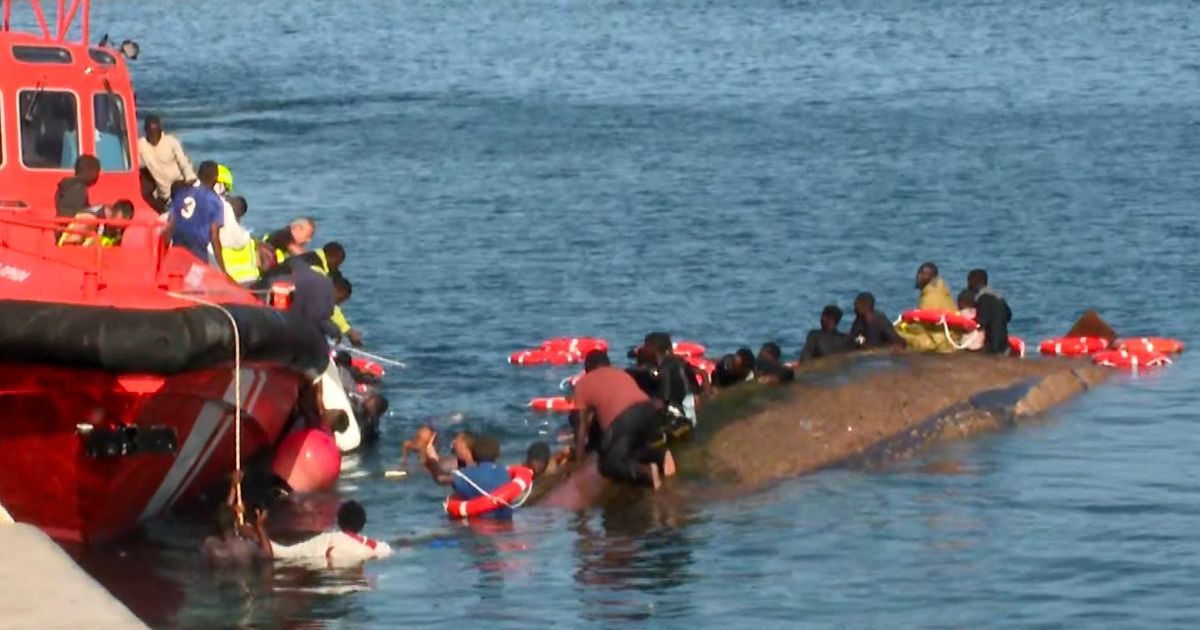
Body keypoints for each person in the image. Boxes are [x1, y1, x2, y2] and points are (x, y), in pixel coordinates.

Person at [572, 350, 673, 489]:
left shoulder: (583, 384)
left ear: (587, 368)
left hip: (625, 418)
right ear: (608, 364)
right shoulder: (620, 373)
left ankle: (644, 472)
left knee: (607, 465)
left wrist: (579, 461)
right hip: (648, 411)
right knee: (632, 450)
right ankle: (660, 457)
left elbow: (580, 424)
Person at [268, 500, 392, 563]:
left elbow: (281, 553)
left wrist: (258, 529)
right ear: (363, 524)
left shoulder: (327, 540)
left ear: (339, 520)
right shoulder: (376, 547)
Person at [167, 161, 228, 275]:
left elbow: (170, 224)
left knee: (179, 281)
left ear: (198, 175)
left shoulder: (183, 193)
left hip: (177, 248)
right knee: (195, 285)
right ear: (215, 177)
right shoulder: (215, 201)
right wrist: (223, 270)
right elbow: (214, 236)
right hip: (197, 251)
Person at [201, 472, 271, 567]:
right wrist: (260, 526)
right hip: (244, 581)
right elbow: (268, 556)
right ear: (235, 525)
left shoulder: (209, 546)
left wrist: (233, 487)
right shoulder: (247, 547)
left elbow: (224, 515)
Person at [438, 435, 515, 520]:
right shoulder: (504, 472)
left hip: (478, 527)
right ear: (498, 454)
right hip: (506, 527)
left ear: (472, 453)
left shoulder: (466, 474)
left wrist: (428, 459)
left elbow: (440, 478)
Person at [895, 262, 959, 352]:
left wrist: (903, 326)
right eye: (919, 273)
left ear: (932, 277)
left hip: (938, 343)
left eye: (922, 274)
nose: (918, 276)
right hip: (952, 338)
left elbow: (923, 327)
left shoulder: (929, 298)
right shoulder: (944, 293)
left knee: (896, 332)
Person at [643, 332, 702, 426]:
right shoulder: (679, 361)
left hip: (675, 410)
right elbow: (693, 377)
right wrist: (696, 394)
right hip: (688, 403)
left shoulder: (665, 367)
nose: (643, 349)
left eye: (645, 346)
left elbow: (666, 393)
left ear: (652, 349)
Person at [138, 115, 196, 204]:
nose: (153, 136)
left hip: (180, 187)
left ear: (161, 130)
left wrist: (190, 178)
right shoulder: (141, 145)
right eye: (150, 132)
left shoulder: (171, 142)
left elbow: (183, 162)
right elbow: (134, 162)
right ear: (145, 131)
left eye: (156, 132)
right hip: (163, 195)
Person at [966, 269, 1012, 355]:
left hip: (993, 343)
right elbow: (1009, 315)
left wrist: (972, 325)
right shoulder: (997, 296)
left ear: (974, 281)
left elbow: (981, 322)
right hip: (1004, 342)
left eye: (969, 281)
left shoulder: (982, 298)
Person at [220, 196, 260, 285]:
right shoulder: (249, 239)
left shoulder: (218, 238)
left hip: (230, 284)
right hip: (252, 281)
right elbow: (258, 263)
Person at [58, 200, 134, 247]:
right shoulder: (91, 219)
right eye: (119, 226)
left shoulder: (120, 227)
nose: (120, 230)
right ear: (112, 215)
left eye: (123, 226)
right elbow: (72, 240)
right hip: (73, 255)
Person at [55, 154, 101, 218]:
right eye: (97, 171)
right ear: (89, 171)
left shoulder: (72, 186)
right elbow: (73, 213)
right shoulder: (77, 188)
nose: (97, 176)